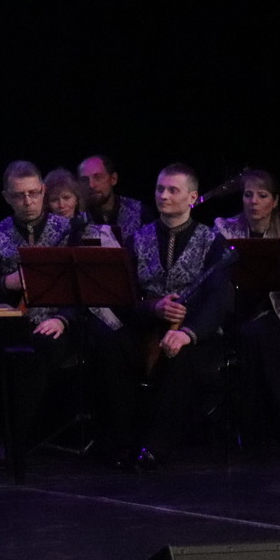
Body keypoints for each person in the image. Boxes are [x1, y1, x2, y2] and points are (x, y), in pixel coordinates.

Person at [100, 164, 233, 469]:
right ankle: (122, 442)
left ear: (192, 197)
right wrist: (153, 308)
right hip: (146, 326)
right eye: (160, 189)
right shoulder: (137, 239)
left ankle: (156, 447)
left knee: (181, 354)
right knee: (112, 346)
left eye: (173, 190)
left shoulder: (212, 241)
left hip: (193, 329)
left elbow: (218, 299)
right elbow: (123, 297)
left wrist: (187, 333)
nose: (164, 196)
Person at [0, 161, 76, 469]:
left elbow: (84, 288)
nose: (28, 202)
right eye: (19, 195)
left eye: (33, 193)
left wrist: (62, 319)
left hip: (57, 323)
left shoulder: (68, 231)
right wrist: (7, 282)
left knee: (32, 353)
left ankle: (11, 442)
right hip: (9, 322)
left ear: (43, 191)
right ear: (7, 197)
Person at [212, 168, 280, 443]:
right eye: (248, 195)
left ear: (274, 201)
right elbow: (211, 271)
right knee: (246, 335)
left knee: (260, 336)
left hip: (271, 311)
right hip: (229, 310)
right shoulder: (225, 228)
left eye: (262, 195)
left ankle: (270, 428)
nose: (253, 201)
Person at [78, 155, 145, 246]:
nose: (91, 185)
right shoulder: (77, 218)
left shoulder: (139, 212)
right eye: (84, 180)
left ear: (113, 179)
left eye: (98, 177)